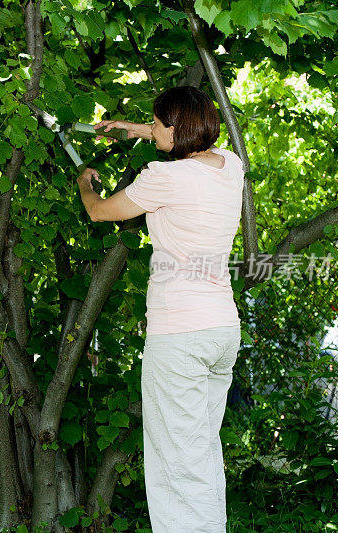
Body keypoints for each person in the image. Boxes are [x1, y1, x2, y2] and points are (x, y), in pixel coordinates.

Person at [77, 86, 244, 533]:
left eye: (155, 123)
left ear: (175, 129)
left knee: (176, 463)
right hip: (221, 331)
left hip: (180, 338)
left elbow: (101, 212)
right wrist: (135, 129)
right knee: (202, 453)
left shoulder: (163, 178)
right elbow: (186, 147)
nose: (150, 130)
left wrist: (84, 185)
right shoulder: (231, 167)